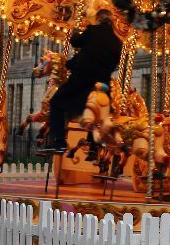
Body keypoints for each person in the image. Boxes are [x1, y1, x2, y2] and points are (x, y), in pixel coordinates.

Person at [44, 9, 124, 157]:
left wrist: (74, 29)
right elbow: (109, 64)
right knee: (102, 114)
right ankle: (94, 146)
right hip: (103, 84)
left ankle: (59, 142)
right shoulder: (117, 42)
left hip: (82, 80)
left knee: (56, 102)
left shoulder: (92, 31)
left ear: (98, 19)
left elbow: (75, 42)